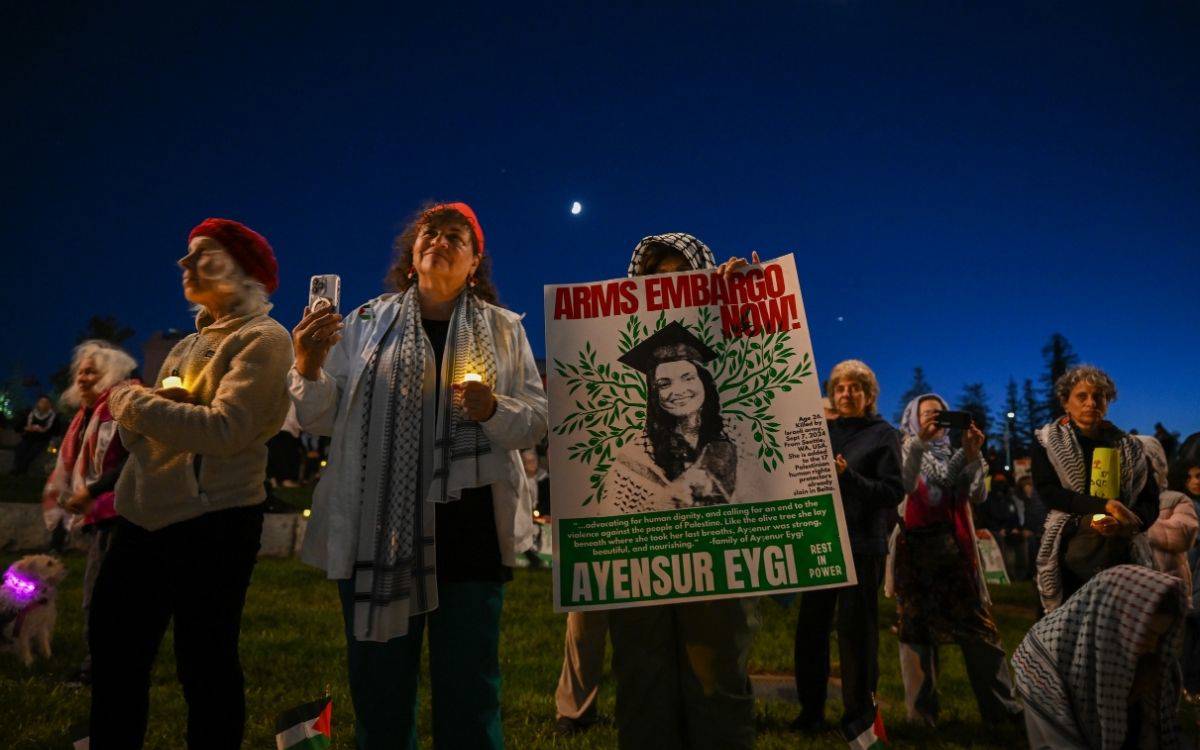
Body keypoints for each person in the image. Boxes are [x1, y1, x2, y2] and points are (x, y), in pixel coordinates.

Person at [290, 202, 547, 749]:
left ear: (475, 263)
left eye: (457, 236)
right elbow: (318, 416)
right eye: (430, 231)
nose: (440, 240)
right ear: (412, 252)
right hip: (378, 527)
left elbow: (536, 419)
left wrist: (492, 409)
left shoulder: (503, 330)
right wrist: (308, 364)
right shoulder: (363, 323)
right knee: (380, 690)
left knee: (470, 692)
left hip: (470, 527)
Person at [87, 218, 293, 748]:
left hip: (213, 523)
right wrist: (159, 414)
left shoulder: (264, 340)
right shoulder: (186, 347)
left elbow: (225, 431)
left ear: (245, 272)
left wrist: (131, 398)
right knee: (115, 657)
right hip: (142, 516)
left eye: (203, 254)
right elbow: (136, 440)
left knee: (205, 665)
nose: (184, 263)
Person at [600, 234, 760, 750]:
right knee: (644, 687)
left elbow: (755, 355)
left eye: (679, 276)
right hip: (641, 576)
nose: (676, 389)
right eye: (654, 280)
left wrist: (742, 300)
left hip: (714, 571)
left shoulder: (731, 445)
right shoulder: (632, 452)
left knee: (717, 686)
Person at [893, 394, 1022, 726]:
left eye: (939, 414)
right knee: (917, 632)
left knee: (979, 631)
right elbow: (906, 483)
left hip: (955, 553)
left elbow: (977, 494)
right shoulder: (905, 447)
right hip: (917, 554)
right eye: (926, 415)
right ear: (913, 420)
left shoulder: (956, 456)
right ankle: (921, 719)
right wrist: (920, 444)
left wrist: (972, 454)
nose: (934, 419)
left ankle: (1001, 710)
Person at [792, 359, 903, 743]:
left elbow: (892, 492)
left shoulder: (883, 435)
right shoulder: (821, 431)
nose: (846, 393)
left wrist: (848, 477)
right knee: (811, 631)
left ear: (869, 395)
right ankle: (810, 712)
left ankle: (858, 718)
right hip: (821, 542)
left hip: (861, 545)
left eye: (855, 387)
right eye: (840, 387)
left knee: (856, 635)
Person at [41, 341, 137, 685]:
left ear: (110, 373)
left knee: (101, 596)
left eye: (90, 371)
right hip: (105, 512)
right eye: (80, 371)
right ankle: (110, 662)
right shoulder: (91, 410)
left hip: (121, 512)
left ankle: (100, 668)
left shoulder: (124, 403)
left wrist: (91, 491)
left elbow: (133, 457)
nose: (82, 378)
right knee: (106, 594)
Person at [1013, 564, 1185, 749]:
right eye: (1146, 634)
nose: (1152, 646)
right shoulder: (1044, 661)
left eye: (1158, 637)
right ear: (1114, 618)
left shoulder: (1153, 658)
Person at [1032, 365, 1159, 612]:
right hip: (1070, 549)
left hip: (1122, 550)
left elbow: (1150, 500)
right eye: (1082, 396)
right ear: (1065, 402)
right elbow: (1050, 492)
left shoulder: (1130, 447)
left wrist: (1129, 523)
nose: (1091, 403)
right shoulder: (1047, 442)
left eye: (1098, 396)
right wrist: (1103, 508)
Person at [603, 322, 736, 512]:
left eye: (688, 377)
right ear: (654, 395)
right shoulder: (635, 459)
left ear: (704, 381)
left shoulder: (735, 441)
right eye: (664, 384)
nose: (678, 391)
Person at [1137, 435, 1198, 594]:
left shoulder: (1174, 499)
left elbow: (1184, 533)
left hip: (1171, 592)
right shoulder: (1124, 502)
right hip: (1137, 591)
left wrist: (1134, 526)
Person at [1171, 456, 1200, 695]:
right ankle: (1181, 684)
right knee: (1184, 637)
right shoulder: (1181, 504)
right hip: (1186, 576)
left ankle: (1191, 684)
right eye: (1190, 477)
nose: (1195, 481)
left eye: (1199, 476)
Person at [12, 395, 58, 475]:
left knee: (32, 452)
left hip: (42, 440)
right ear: (38, 404)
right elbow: (17, 427)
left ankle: (21, 471)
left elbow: (56, 432)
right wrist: (26, 428)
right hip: (28, 439)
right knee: (20, 449)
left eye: (46, 402)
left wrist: (42, 430)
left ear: (50, 405)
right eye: (42, 402)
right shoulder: (30, 414)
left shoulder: (53, 417)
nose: (44, 404)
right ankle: (16, 470)